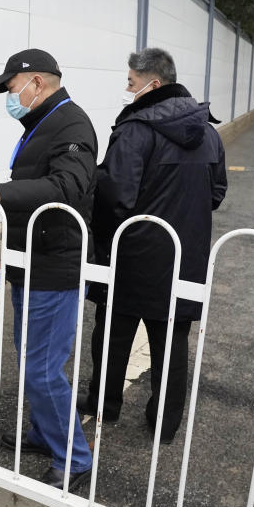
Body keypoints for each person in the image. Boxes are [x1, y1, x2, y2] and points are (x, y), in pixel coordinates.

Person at [0, 48, 97, 491]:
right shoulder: (42, 122)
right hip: (28, 260)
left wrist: (0, 191)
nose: (8, 95)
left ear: (36, 83)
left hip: (54, 266)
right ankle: (45, 433)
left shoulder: (72, 123)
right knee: (30, 359)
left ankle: (74, 458)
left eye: (11, 87)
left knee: (42, 368)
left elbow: (68, 186)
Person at [82, 47, 227, 444]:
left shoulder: (135, 130)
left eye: (131, 82)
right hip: (185, 256)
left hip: (132, 255)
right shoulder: (208, 132)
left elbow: (115, 197)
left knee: (112, 333)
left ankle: (103, 406)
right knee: (172, 342)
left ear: (154, 84)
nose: (128, 90)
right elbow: (216, 193)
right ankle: (164, 423)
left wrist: (105, 239)